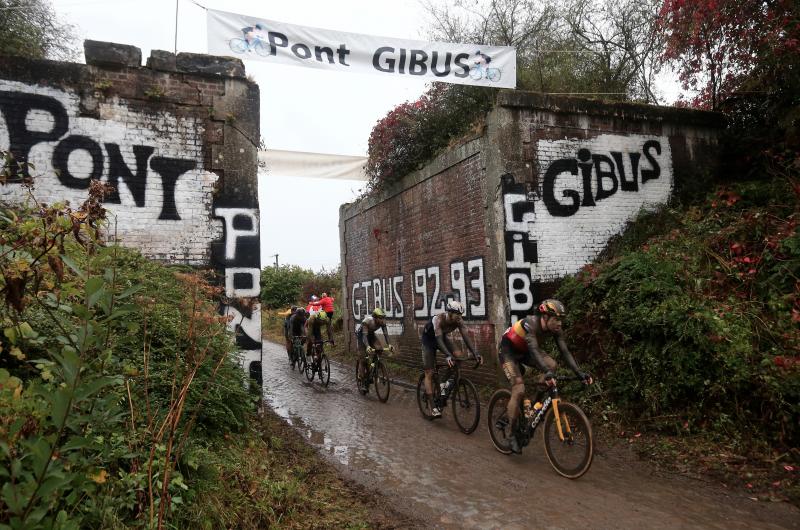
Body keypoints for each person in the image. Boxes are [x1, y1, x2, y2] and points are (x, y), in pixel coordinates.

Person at [498, 299, 592, 453]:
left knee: (552, 365)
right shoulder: (530, 324)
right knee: (519, 389)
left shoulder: (556, 329)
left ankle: (535, 405)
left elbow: (565, 352)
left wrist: (579, 373)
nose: (559, 324)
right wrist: (547, 373)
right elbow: (534, 350)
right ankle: (512, 435)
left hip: (525, 351)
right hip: (509, 351)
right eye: (556, 319)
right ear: (545, 317)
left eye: (561, 320)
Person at [420, 300, 483, 417]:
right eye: (457, 315)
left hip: (442, 338)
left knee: (458, 357)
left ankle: (442, 384)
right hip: (429, 341)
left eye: (461, 315)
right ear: (450, 313)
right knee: (429, 372)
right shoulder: (438, 319)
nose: (460, 317)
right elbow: (438, 340)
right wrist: (448, 355)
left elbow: (466, 337)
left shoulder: (458, 321)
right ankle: (433, 407)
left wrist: (475, 353)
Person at [356, 307, 391, 383]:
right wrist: (368, 346)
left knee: (379, 349)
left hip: (371, 334)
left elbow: (386, 334)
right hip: (362, 335)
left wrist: (389, 345)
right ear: (375, 317)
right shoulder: (367, 322)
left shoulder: (382, 323)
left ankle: (375, 368)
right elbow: (364, 336)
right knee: (363, 358)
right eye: (381, 318)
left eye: (383, 318)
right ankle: (361, 377)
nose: (382, 320)